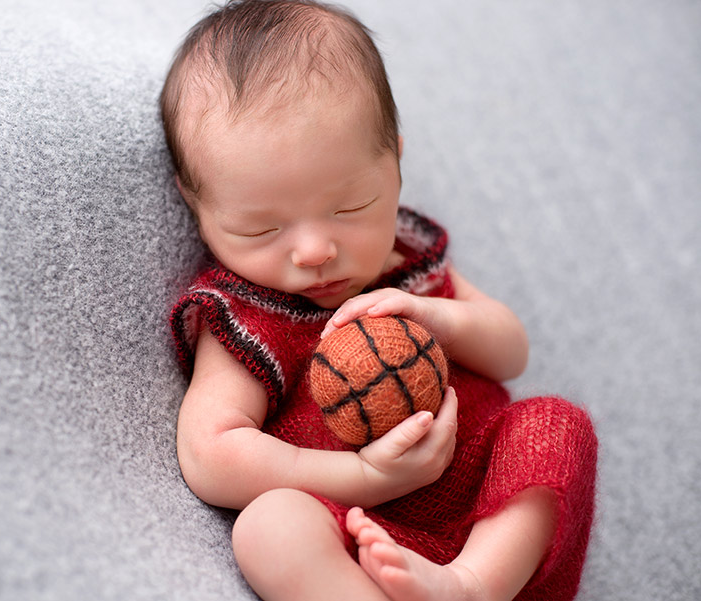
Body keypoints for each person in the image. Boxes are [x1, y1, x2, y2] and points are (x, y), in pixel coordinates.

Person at [161, 1, 597, 600]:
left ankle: (469, 587)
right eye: (261, 230)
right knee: (269, 527)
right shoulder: (245, 315)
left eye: (350, 209)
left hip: (484, 514)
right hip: (349, 519)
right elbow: (211, 453)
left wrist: (437, 315)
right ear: (197, 205)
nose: (314, 250)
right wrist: (364, 477)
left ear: (394, 158)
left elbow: (510, 352)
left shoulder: (408, 263)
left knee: (556, 424)